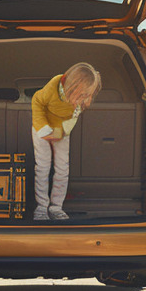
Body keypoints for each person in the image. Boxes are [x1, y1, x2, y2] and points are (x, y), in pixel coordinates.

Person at [30, 62, 102, 221]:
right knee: (43, 166)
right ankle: (41, 208)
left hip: (61, 129)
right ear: (73, 85)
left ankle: (56, 208)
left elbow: (74, 117)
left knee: (62, 168)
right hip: (42, 127)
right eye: (82, 94)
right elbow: (36, 101)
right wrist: (45, 131)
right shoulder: (54, 85)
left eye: (87, 95)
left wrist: (61, 133)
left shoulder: (81, 100)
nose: (84, 99)